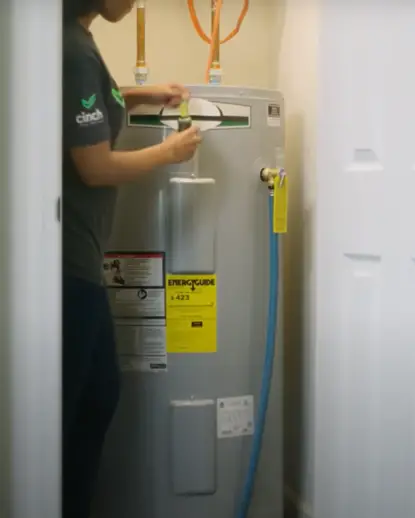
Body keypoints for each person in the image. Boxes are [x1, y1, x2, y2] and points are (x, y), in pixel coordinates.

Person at [62, 1, 202, 516]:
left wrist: (141, 94)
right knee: (80, 408)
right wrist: (171, 152)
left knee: (95, 398)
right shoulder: (72, 48)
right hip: (68, 266)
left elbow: (89, 106)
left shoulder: (72, 40)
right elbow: (94, 166)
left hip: (78, 262)